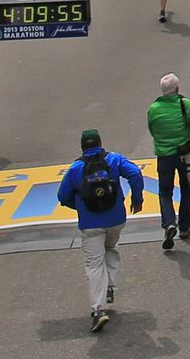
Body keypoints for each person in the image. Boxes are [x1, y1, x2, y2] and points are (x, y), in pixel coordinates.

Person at [57, 128, 146, 333]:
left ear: (82, 147)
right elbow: (135, 173)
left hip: (90, 224)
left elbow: (62, 196)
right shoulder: (114, 160)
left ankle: (98, 310)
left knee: (94, 264)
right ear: (100, 143)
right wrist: (137, 199)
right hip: (116, 219)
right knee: (110, 248)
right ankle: (110, 287)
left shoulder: (76, 168)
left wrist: (80, 206)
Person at [147, 73, 190, 247]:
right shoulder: (183, 104)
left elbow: (152, 130)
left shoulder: (153, 108)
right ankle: (185, 227)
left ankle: (169, 223)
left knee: (165, 192)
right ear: (177, 89)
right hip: (185, 153)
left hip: (164, 156)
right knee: (187, 189)